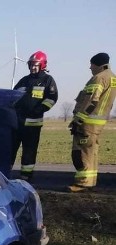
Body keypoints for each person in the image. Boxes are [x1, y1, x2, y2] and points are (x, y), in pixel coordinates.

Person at [68, 53, 116, 192]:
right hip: (98, 122)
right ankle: (90, 181)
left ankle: (82, 183)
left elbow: (90, 101)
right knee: (91, 152)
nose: (90, 67)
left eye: (91, 64)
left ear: (98, 64)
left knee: (81, 153)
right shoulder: (112, 77)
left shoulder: (98, 78)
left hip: (87, 122)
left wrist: (78, 120)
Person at [12, 51, 58, 183]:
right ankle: (5, 171)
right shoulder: (24, 80)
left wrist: (40, 109)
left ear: (42, 65)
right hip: (17, 121)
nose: (33, 67)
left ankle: (26, 176)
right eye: (31, 65)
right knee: (11, 149)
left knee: (29, 150)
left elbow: (52, 98)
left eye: (35, 65)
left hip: (33, 123)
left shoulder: (47, 80)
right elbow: (13, 95)